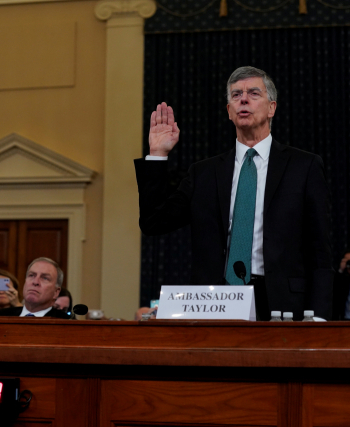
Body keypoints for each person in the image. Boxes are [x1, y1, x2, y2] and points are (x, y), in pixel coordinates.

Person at [135, 66, 333, 320]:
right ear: (229, 111)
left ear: (271, 107)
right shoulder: (203, 173)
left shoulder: (304, 166)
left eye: (253, 93)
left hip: (283, 303)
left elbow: (320, 249)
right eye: (236, 95)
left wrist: (318, 316)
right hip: (216, 301)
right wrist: (158, 155)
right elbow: (154, 222)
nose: (243, 99)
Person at [0, 257, 70, 318]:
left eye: (45, 278)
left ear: (56, 292)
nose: (35, 282)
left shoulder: (67, 323)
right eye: (31, 275)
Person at [332, 249, 350, 320]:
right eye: (347, 261)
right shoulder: (342, 278)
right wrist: (341, 270)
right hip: (346, 319)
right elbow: (334, 292)